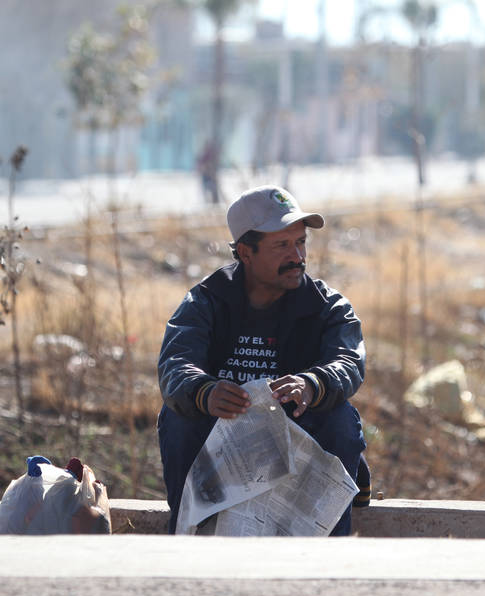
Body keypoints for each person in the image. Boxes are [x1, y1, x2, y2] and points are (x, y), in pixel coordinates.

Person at [157, 184, 368, 535]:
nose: (297, 256)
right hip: (225, 436)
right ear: (245, 252)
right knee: (177, 417)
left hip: (296, 432)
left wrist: (311, 384)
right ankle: (190, 540)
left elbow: (348, 361)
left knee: (340, 420)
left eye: (300, 242)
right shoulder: (205, 301)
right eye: (281, 245)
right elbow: (175, 363)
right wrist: (205, 392)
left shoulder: (328, 306)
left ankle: (329, 549)